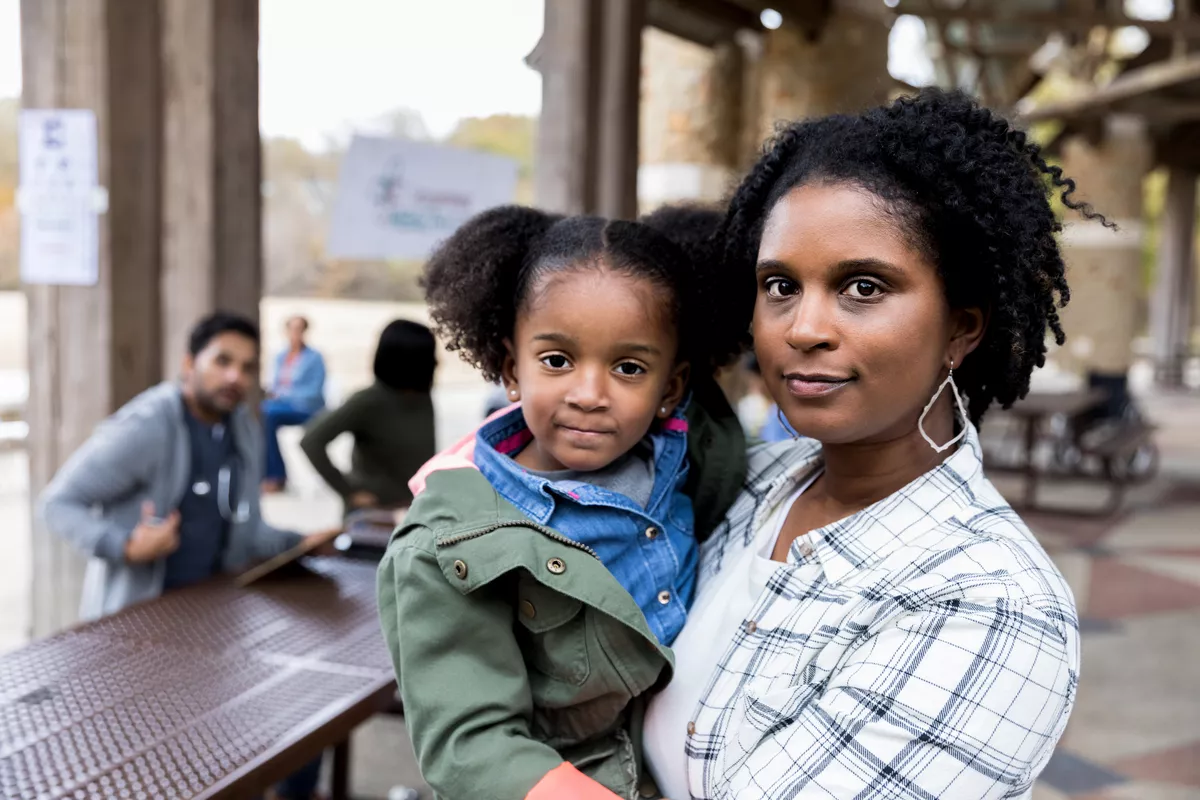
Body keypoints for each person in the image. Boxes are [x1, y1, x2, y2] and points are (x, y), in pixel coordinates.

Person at [643, 89, 1090, 799]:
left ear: (961, 328)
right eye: (780, 285)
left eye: (862, 286)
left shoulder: (987, 605)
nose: (803, 328)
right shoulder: (752, 482)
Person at [376, 207, 748, 800]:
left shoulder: (687, 453)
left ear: (671, 389)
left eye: (629, 368)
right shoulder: (449, 546)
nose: (589, 395)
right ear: (510, 370)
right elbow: (471, 742)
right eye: (557, 360)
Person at [38, 311, 337, 800]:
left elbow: (246, 527)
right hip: (134, 638)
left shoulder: (239, 425)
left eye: (247, 366)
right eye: (222, 361)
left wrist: (296, 544)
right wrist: (124, 545)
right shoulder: (149, 426)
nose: (235, 377)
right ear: (187, 364)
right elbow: (57, 504)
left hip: (214, 624)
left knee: (303, 717)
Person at [300, 319, 438, 513]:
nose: (437, 363)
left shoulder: (422, 399)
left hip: (413, 511)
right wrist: (349, 492)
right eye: (429, 357)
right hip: (375, 515)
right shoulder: (368, 401)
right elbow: (311, 440)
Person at [262, 315, 327, 493]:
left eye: (299, 329)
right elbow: (276, 384)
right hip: (281, 406)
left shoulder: (314, 358)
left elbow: (314, 391)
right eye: (291, 329)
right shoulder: (281, 357)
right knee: (261, 413)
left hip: (305, 408)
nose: (295, 333)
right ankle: (269, 473)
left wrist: (283, 395)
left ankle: (276, 476)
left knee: (268, 414)